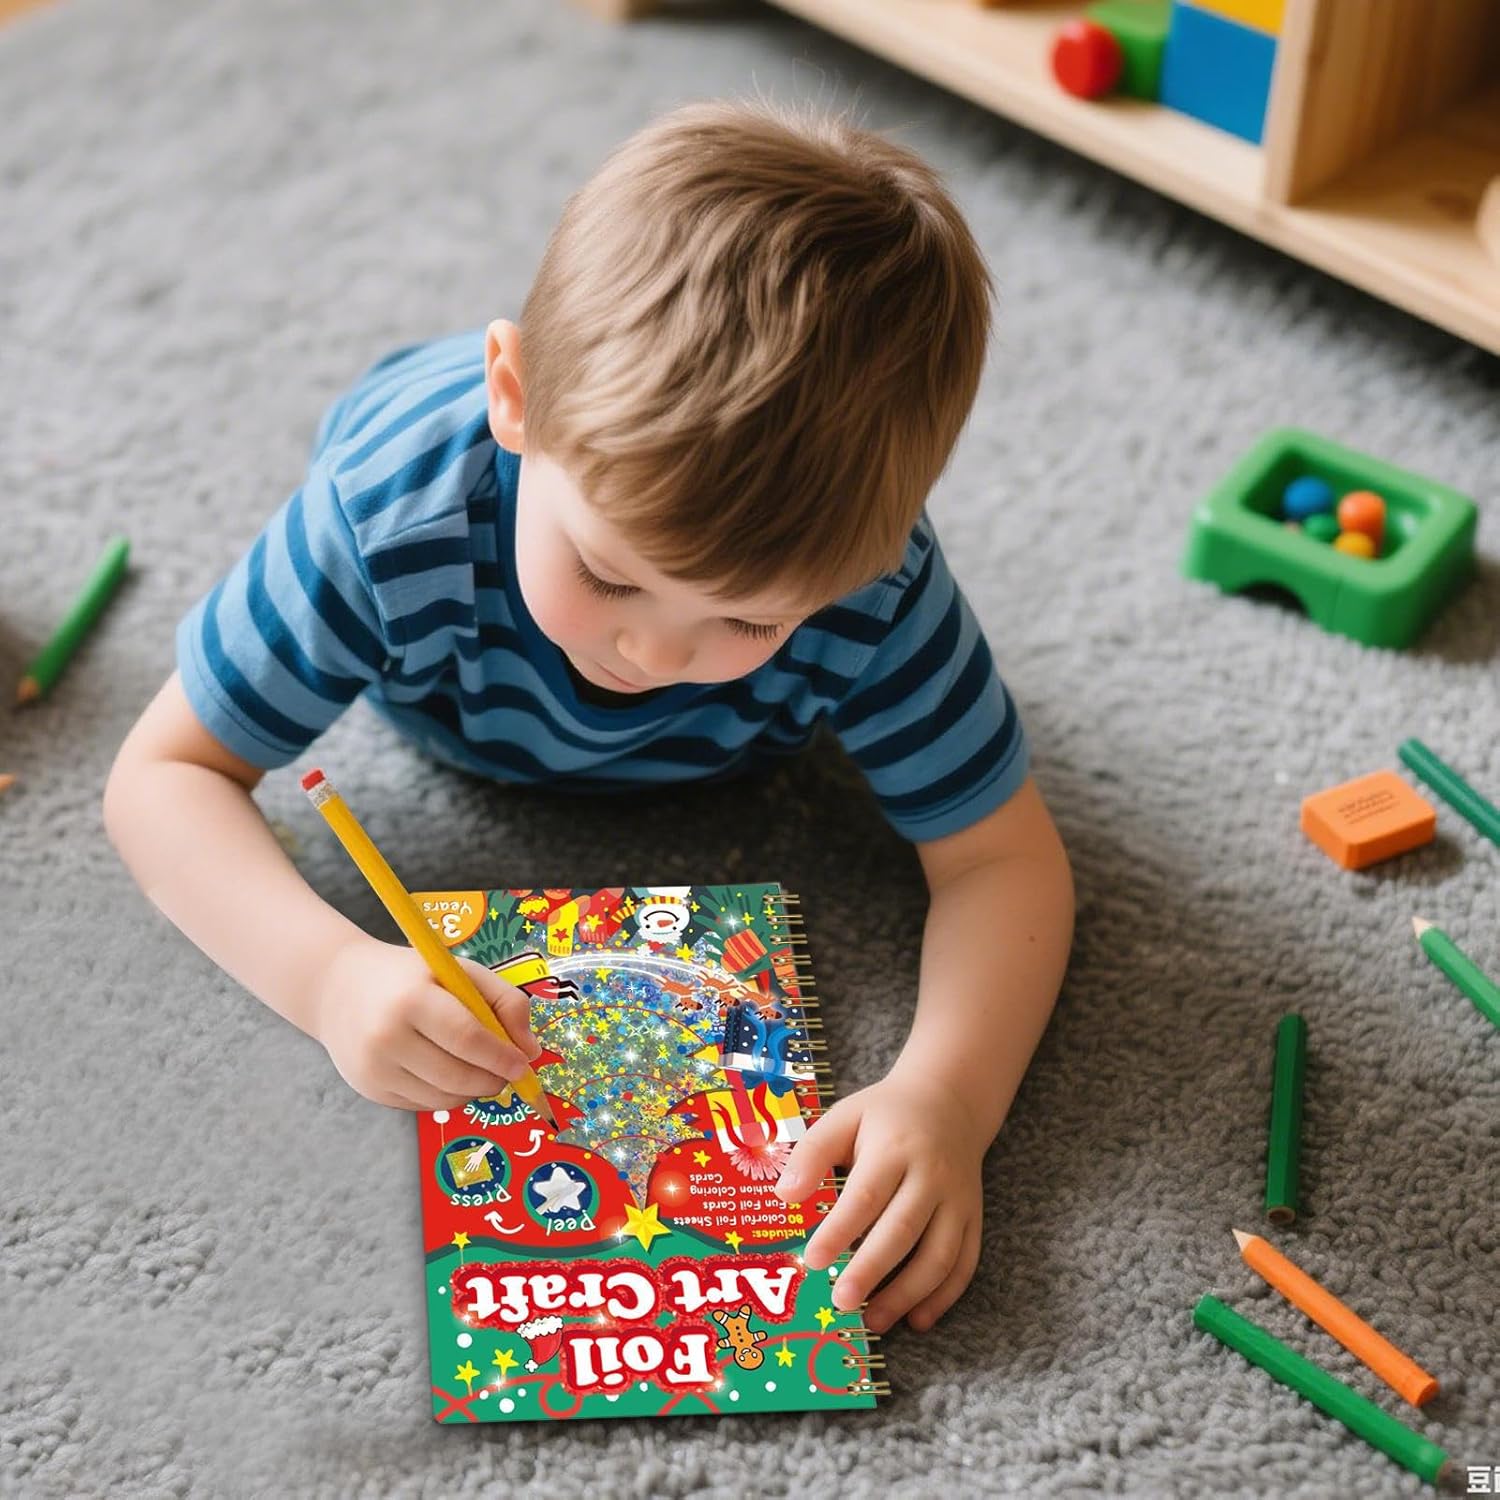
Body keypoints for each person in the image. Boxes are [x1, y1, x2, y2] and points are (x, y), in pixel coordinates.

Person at [105, 99, 1074, 1337]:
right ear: (514, 398)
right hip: (439, 601)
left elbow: (1004, 862)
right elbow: (162, 775)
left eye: (750, 620)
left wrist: (948, 1097)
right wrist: (329, 976)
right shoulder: (384, 517)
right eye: (609, 576)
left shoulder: (875, 589)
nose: (655, 653)